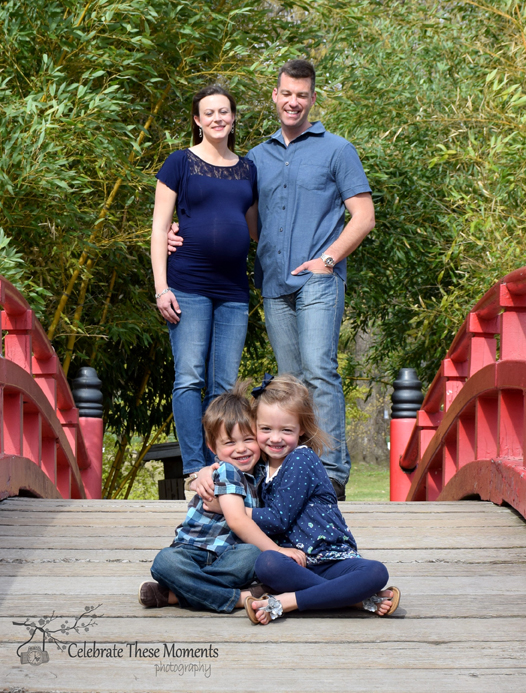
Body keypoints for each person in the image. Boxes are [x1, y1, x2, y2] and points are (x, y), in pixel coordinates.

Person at [169, 61, 375, 500]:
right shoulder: (255, 159)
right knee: (290, 381)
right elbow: (238, 216)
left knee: (319, 370)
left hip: (318, 280)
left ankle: (332, 472)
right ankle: (295, 471)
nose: (293, 102)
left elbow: (363, 216)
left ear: (312, 99)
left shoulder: (337, 150)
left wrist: (327, 259)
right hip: (274, 284)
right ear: (275, 97)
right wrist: (180, 230)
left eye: (302, 95)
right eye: (286, 94)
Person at [151, 84, 258, 477]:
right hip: (187, 284)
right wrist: (161, 288)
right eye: (209, 113)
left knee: (223, 386)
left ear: (233, 118)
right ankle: (196, 469)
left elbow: (254, 230)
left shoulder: (248, 169)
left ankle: (220, 468)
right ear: (197, 120)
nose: (217, 118)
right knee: (189, 378)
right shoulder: (179, 162)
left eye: (224, 111)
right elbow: (159, 229)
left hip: (233, 290)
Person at [245, 374, 400, 624]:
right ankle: (355, 600)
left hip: (331, 558)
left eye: (286, 430)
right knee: (267, 563)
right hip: (297, 564)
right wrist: (205, 474)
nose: (275, 438)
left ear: (302, 428)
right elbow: (226, 460)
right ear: (253, 426)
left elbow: (277, 519)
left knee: (376, 572)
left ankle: (287, 602)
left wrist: (234, 512)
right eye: (266, 429)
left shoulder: (300, 459)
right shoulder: (260, 466)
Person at [138, 382, 305, 613]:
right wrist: (277, 551)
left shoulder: (261, 473)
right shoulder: (227, 470)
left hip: (231, 555)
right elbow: (237, 521)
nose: (241, 449)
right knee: (165, 561)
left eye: (248, 439)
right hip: (192, 551)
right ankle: (238, 598)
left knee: (253, 554)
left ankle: (178, 594)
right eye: (229, 442)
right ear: (212, 446)